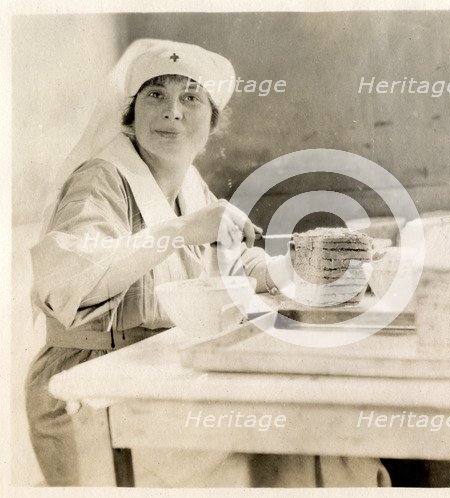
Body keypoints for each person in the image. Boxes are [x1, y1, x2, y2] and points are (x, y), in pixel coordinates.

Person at [25, 39, 391, 488]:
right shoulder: (100, 179)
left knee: (314, 436)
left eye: (190, 98)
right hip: (87, 387)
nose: (172, 111)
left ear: (211, 122)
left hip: (154, 372)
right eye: (155, 94)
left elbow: (235, 258)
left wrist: (303, 267)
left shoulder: (188, 183)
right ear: (131, 114)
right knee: (282, 444)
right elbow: (65, 279)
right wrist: (179, 232)